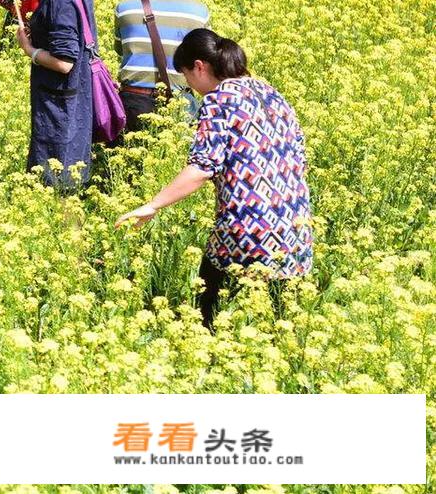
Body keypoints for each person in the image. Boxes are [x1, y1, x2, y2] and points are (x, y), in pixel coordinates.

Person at [115, 29, 313, 330]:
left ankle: (204, 345)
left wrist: (152, 206)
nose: (192, 88)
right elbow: (300, 156)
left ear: (199, 66)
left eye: (186, 77)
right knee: (279, 313)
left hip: (248, 226)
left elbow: (203, 166)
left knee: (207, 296)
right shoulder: (271, 92)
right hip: (293, 225)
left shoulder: (219, 99)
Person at [16, 0, 97, 191]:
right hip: (74, 101)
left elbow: (64, 61)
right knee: (67, 183)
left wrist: (30, 49)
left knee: (57, 186)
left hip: (60, 107)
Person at [113, 0, 210, 133]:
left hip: (135, 101)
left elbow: (120, 50)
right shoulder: (199, 12)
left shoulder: (125, 8)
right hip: (180, 100)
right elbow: (203, 55)